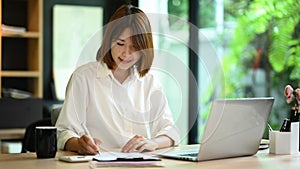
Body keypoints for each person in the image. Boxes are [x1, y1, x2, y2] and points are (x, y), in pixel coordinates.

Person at [55, 4, 180, 155]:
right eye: (120, 43)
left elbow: (171, 131)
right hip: (96, 161)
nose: (126, 53)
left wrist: (153, 142)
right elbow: (63, 133)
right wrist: (78, 144)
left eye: (135, 47)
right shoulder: (84, 77)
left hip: (139, 163)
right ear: (108, 41)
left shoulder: (150, 82)